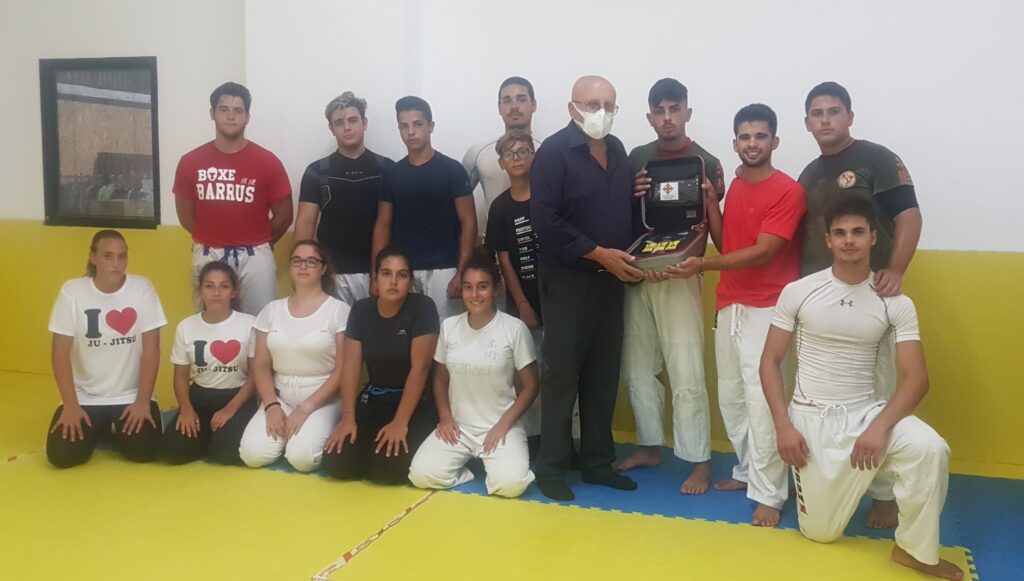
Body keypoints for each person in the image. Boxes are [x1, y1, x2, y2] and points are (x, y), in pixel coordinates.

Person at [760, 196, 962, 580]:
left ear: (873, 237)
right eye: (840, 233)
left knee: (930, 448)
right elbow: (769, 361)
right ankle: (854, 486)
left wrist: (878, 428)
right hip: (812, 419)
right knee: (821, 533)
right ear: (828, 240)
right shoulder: (799, 292)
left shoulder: (895, 302)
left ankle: (915, 550)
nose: (849, 240)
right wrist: (783, 426)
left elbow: (917, 378)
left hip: (866, 414)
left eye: (857, 232)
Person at [669, 104, 806, 524]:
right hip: (730, 304)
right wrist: (712, 203)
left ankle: (770, 493)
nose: (752, 144)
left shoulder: (789, 191)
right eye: (745, 137)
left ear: (774, 141)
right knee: (732, 397)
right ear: (734, 144)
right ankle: (748, 471)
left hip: (770, 309)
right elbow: (728, 242)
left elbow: (763, 251)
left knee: (763, 402)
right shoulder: (740, 185)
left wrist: (702, 265)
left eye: (760, 136)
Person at [800, 81, 922, 527]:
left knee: (878, 392)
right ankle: (835, 477)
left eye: (834, 111)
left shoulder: (877, 159)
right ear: (807, 123)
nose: (826, 119)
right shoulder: (808, 175)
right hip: (820, 300)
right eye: (817, 113)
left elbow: (909, 215)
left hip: (873, 293)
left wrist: (897, 269)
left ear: (850, 116)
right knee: (824, 396)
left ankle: (884, 493)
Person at [530, 75, 642, 501]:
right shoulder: (553, 153)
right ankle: (552, 467)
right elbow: (545, 220)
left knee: (602, 374)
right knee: (562, 377)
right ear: (572, 108)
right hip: (567, 281)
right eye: (593, 104)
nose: (602, 112)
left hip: (612, 281)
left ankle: (597, 462)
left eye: (609, 105)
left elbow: (624, 207)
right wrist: (598, 254)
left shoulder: (617, 150)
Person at [614, 78, 724, 495]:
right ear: (649, 117)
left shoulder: (707, 161)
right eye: (659, 111)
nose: (667, 118)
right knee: (637, 366)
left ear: (687, 113)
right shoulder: (637, 158)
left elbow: (708, 226)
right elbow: (627, 215)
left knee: (685, 366)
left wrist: (684, 260)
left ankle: (698, 460)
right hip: (638, 269)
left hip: (681, 272)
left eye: (674, 109)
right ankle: (649, 446)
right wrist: (631, 194)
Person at [408, 252, 538, 497]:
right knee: (420, 475)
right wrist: (445, 417)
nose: (475, 294)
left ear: (496, 290)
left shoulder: (514, 329)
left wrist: (503, 425)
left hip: (501, 426)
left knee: (510, 485)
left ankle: (496, 465)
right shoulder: (449, 327)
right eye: (468, 287)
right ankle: (466, 471)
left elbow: (531, 386)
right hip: (459, 427)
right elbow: (440, 379)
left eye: (482, 287)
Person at [46, 229, 166, 468]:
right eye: (108, 256)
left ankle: (113, 427)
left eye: (122, 256)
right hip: (85, 397)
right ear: (93, 257)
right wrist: (70, 405)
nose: (116, 264)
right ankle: (102, 427)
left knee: (144, 451)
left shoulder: (142, 288)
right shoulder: (72, 292)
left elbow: (152, 349)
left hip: (130, 395)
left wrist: (143, 401)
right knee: (62, 456)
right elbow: (60, 353)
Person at [173, 81, 293, 316]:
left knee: (260, 323)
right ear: (212, 113)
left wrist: (259, 241)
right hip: (209, 253)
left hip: (255, 257)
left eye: (238, 110)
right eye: (224, 109)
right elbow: (185, 214)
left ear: (247, 117)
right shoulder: (190, 162)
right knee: (209, 322)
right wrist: (211, 237)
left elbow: (285, 215)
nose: (230, 116)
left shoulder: (267, 162)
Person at [322, 247, 440, 484]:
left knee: (387, 470)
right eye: (386, 273)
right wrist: (348, 417)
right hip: (374, 400)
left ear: (411, 281)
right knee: (337, 463)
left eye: (402, 275)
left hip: (415, 404)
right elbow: (351, 367)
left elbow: (420, 369)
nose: (393, 281)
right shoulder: (361, 310)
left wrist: (400, 422)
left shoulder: (422, 307)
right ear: (375, 279)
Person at [238, 240, 350, 472]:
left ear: (323, 268)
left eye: (311, 261)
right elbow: (260, 365)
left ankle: (305, 435)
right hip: (280, 398)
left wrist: (306, 408)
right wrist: (271, 406)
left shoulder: (339, 311)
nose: (303, 266)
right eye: (297, 260)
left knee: (302, 459)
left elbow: (343, 370)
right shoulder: (271, 310)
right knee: (252, 455)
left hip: (322, 401)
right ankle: (285, 433)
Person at [372, 96, 477, 320]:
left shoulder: (452, 170)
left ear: (431, 126)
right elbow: (383, 225)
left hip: (445, 270)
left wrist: (462, 271)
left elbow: (469, 223)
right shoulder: (392, 175)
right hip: (403, 270)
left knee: (446, 333)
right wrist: (376, 274)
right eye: (404, 126)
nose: (411, 132)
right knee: (405, 333)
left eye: (417, 124)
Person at [294, 91, 394, 305]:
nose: (347, 127)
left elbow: (394, 224)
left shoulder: (387, 169)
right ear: (331, 128)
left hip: (378, 274)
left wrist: (383, 272)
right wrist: (304, 271)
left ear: (365, 123)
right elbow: (305, 224)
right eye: (339, 123)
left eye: (353, 120)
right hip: (331, 274)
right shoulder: (317, 171)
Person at [162, 262, 259, 465]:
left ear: (234, 292)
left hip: (237, 398)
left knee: (225, 454)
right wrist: (186, 409)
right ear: (200, 291)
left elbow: (255, 375)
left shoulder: (249, 324)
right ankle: (204, 435)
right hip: (200, 398)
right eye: (209, 286)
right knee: (172, 452)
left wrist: (230, 410)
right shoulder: (186, 327)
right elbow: (180, 376)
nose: (216, 293)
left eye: (224, 286)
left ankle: (217, 438)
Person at [463, 77, 543, 236]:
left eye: (521, 99)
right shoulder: (478, 152)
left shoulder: (547, 151)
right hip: (495, 244)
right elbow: (458, 199)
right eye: (506, 101)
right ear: (499, 108)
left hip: (540, 244)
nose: (514, 107)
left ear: (534, 105)